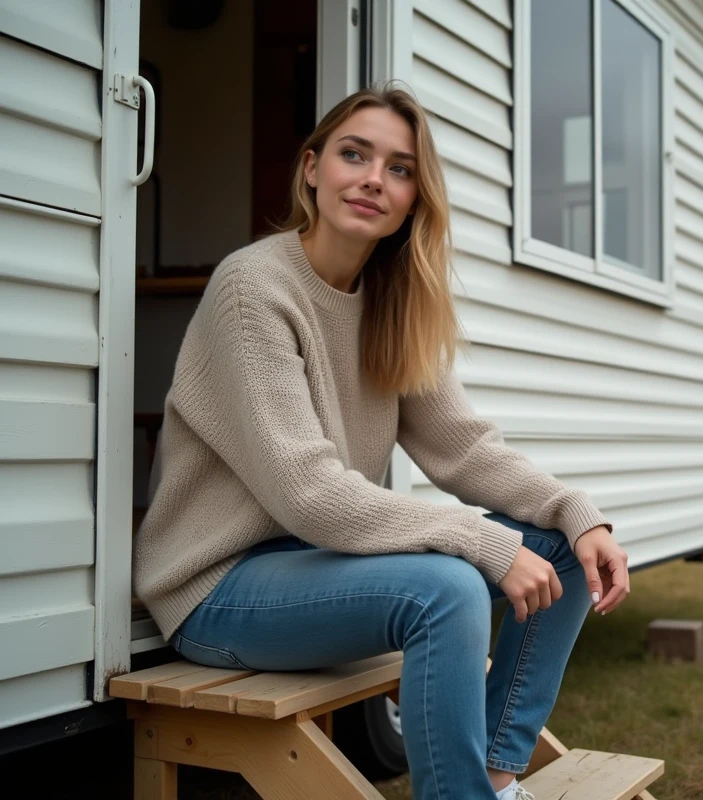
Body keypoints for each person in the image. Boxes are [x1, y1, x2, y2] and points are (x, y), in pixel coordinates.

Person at [132, 84, 631, 800]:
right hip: (218, 586)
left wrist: (577, 512)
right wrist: (479, 541)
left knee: (564, 549)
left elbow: (465, 450)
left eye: (399, 168)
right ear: (312, 169)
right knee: (449, 588)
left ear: (413, 198)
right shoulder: (254, 288)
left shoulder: (392, 301)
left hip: (317, 565)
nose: (374, 178)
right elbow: (309, 493)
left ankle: (494, 775)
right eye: (354, 155)